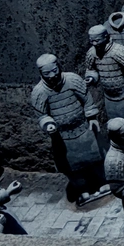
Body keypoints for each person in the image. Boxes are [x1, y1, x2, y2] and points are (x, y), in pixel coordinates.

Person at [30, 54, 107, 205]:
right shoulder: (39, 92)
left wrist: (92, 117)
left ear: (59, 66)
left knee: (96, 158)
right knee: (72, 167)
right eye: (47, 73)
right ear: (41, 73)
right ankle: (83, 190)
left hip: (83, 128)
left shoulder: (72, 79)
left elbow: (86, 99)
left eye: (54, 71)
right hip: (62, 136)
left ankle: (103, 182)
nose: (52, 76)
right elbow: (42, 115)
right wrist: (48, 124)